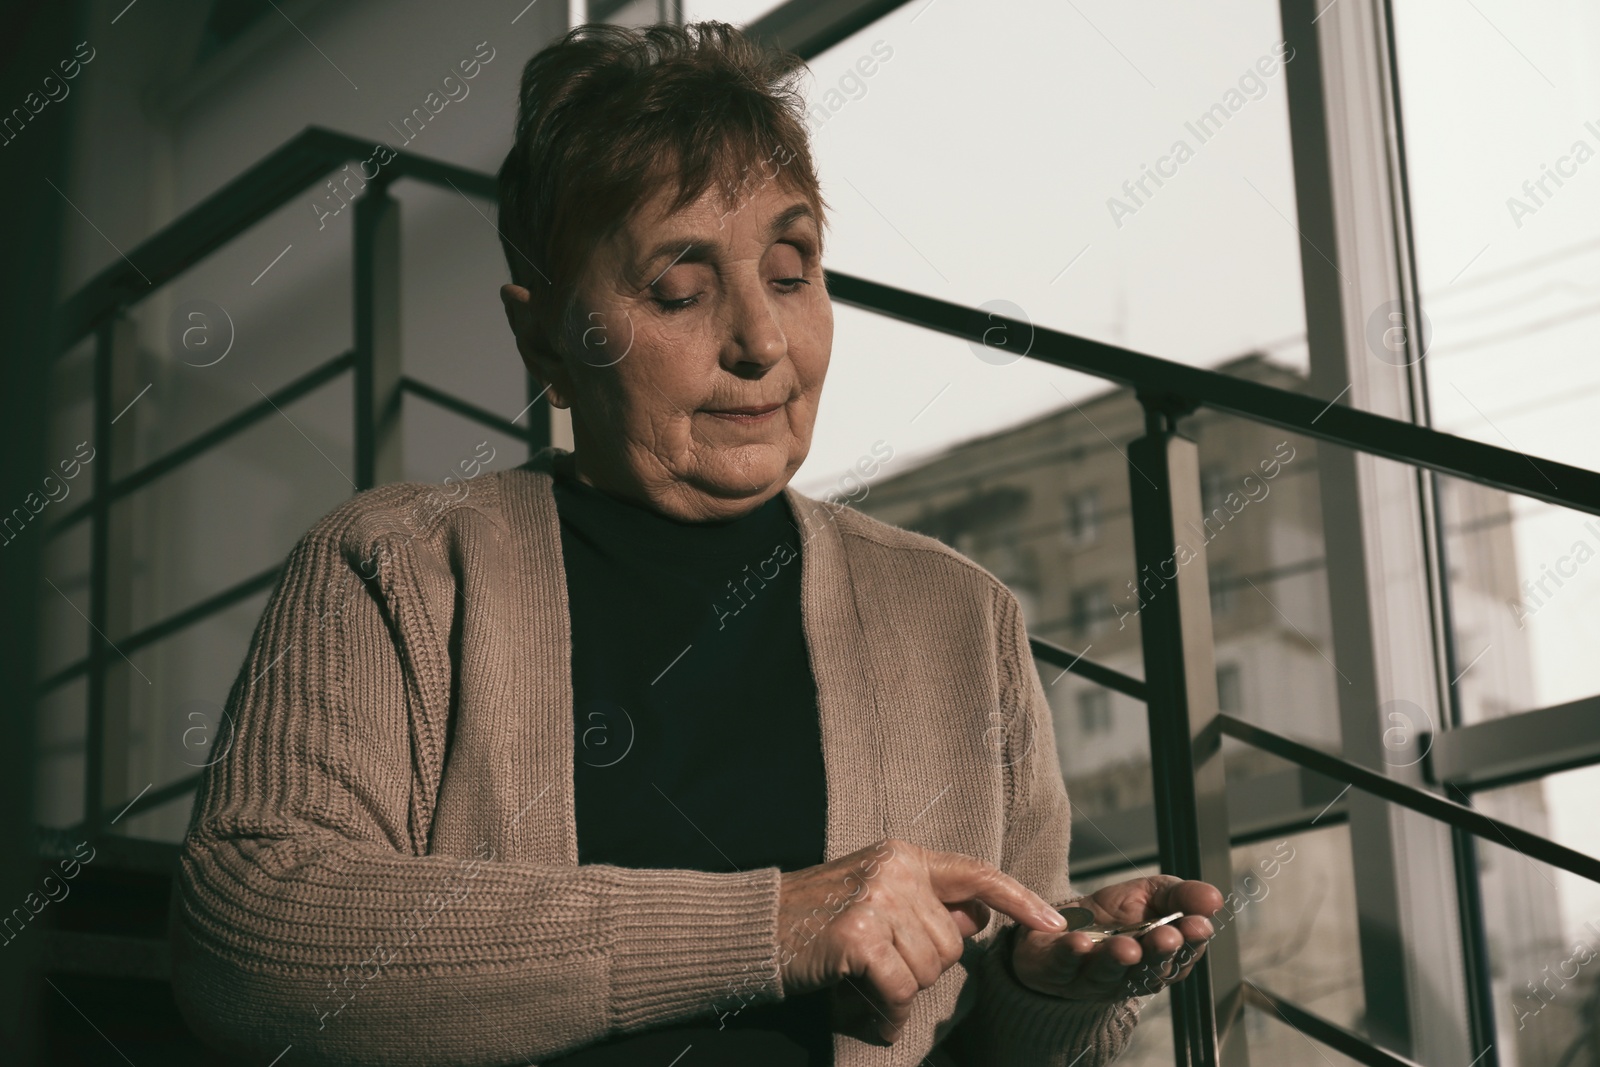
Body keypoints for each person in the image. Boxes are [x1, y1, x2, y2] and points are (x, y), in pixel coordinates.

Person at [169, 20, 1222, 1066]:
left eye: (791, 269)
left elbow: (995, 1047)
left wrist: (1046, 988)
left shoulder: (961, 619)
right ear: (543, 334)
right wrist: (772, 926)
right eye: (678, 288)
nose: (761, 341)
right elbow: (249, 942)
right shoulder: (394, 567)